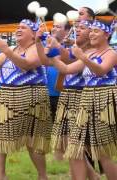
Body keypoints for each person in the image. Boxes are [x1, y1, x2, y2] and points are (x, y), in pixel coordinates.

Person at [0, 19, 51, 180]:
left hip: (30, 96)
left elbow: (27, 64)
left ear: (33, 33)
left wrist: (7, 51)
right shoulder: (14, 48)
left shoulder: (37, 48)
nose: (18, 29)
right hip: (6, 96)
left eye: (23, 28)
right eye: (18, 27)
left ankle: (43, 176)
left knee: (32, 139)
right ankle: (0, 175)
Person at [50, 20, 117, 180]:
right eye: (91, 31)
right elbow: (66, 69)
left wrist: (82, 57)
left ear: (106, 35)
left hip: (104, 101)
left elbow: (101, 70)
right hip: (87, 103)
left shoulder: (112, 53)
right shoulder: (90, 54)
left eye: (96, 31)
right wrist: (51, 54)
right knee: (75, 146)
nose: (92, 34)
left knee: (102, 152)